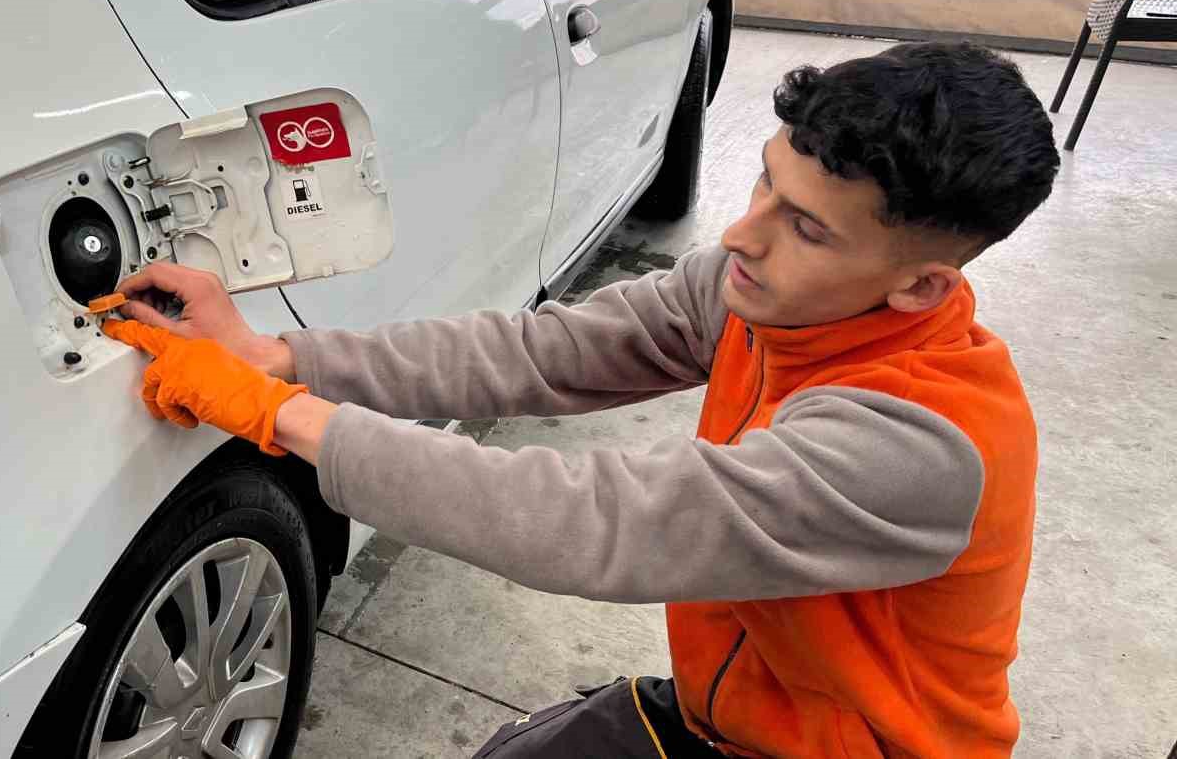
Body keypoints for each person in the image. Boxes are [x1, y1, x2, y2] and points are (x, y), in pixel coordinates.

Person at [102, 41, 1061, 758]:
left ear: (921, 287)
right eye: (766, 184)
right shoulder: (753, 294)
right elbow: (541, 353)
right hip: (727, 714)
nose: (743, 233)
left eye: (806, 228)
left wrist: (276, 416)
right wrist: (278, 356)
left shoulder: (923, 446)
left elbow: (591, 524)